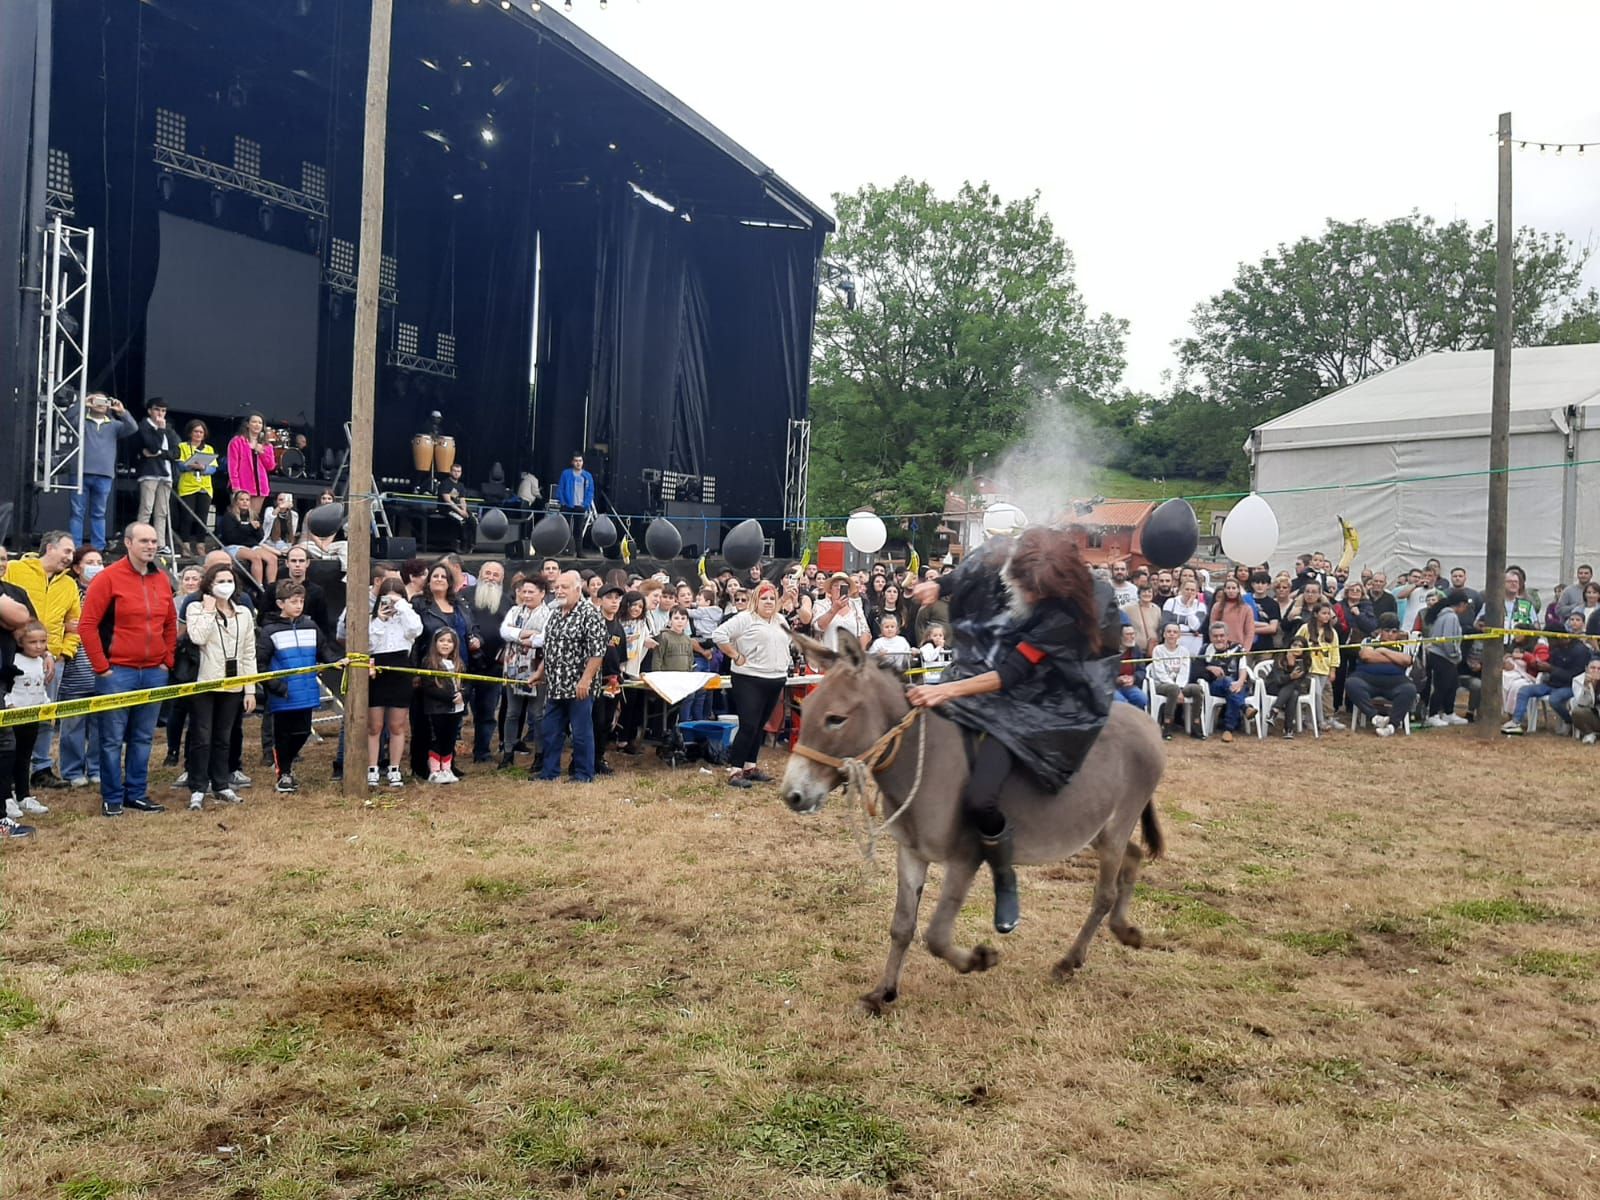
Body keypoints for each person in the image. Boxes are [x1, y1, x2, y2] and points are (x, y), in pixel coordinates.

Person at [906, 527, 1119, 935]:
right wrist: (940, 585)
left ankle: (1004, 877)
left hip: (1040, 695)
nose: (1029, 595)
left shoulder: (1062, 616)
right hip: (996, 661)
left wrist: (946, 690)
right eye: (1024, 586)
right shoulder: (1020, 555)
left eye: (1036, 593)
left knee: (981, 796)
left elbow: (1010, 675)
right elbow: (980, 563)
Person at [79, 523, 177, 817]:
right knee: (110, 739)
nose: (150, 546)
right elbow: (87, 625)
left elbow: (171, 623)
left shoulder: (161, 579)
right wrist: (102, 667)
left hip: (153, 671)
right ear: (128, 543)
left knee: (143, 737)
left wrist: (166, 661)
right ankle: (112, 796)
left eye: (154, 541)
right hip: (117, 672)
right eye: (144, 541)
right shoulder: (108, 578)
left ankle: (136, 792)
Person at [7, 531, 79, 791]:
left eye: (72, 553)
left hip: (51, 663)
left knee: (45, 716)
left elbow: (74, 626)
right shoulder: (16, 570)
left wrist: (63, 654)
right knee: (11, 715)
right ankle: (13, 770)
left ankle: (42, 768)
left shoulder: (69, 584)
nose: (71, 557)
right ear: (50, 548)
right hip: (14, 661)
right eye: (67, 551)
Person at [183, 562, 257, 812]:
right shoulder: (196, 607)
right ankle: (197, 787)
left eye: (229, 580)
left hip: (233, 683)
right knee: (201, 737)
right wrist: (207, 610)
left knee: (224, 737)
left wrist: (250, 689)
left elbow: (249, 652)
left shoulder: (244, 613)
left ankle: (221, 782)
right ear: (209, 585)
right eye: (219, 581)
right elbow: (198, 637)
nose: (225, 585)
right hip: (205, 682)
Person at [256, 580, 339, 791]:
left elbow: (324, 650)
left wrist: (336, 661)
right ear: (280, 603)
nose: (299, 605)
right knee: (283, 735)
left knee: (303, 732)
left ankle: (287, 764)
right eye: (294, 601)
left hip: (307, 692)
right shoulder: (269, 631)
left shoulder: (310, 626)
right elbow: (260, 664)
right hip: (283, 695)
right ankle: (283, 772)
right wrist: (277, 687)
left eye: (301, 601)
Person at [713, 580, 791, 790]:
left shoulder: (780, 620)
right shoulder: (745, 619)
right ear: (756, 600)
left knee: (759, 726)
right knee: (748, 724)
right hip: (749, 678)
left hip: (775, 678)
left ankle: (750, 766)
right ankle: (735, 770)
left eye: (772, 599)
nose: (768, 602)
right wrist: (735, 655)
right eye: (764, 598)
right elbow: (719, 634)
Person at [535, 570, 607, 783]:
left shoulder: (590, 614)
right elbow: (550, 648)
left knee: (581, 733)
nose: (559, 591)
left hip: (579, 686)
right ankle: (549, 772)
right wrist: (539, 673)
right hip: (555, 685)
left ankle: (583, 774)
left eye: (564, 587)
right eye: (556, 587)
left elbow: (597, 652)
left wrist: (585, 680)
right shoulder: (555, 613)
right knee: (550, 730)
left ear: (578, 589)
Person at [368, 578, 423, 788]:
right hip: (378, 670)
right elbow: (369, 644)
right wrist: (380, 619)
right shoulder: (373, 619)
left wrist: (401, 605)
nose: (390, 604)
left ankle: (394, 768)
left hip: (401, 670)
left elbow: (416, 630)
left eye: (394, 598)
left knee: (397, 725)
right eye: (386, 599)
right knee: (375, 725)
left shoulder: (407, 617)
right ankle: (372, 767)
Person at [55, 548, 103, 789]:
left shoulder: (108, 593)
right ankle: (72, 769)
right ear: (76, 567)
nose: (95, 565)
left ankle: (96, 767)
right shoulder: (67, 592)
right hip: (74, 669)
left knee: (99, 725)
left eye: (99, 561)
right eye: (89, 562)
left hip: (102, 669)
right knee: (72, 724)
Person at [69, 394, 139, 551]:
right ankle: (75, 547)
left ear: (109, 405)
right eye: (96, 400)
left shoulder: (115, 425)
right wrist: (83, 403)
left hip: (105, 474)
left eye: (104, 401)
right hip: (80, 472)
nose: (100, 404)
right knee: (77, 512)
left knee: (99, 513)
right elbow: (65, 418)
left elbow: (133, 427)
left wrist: (122, 412)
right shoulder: (81, 421)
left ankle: (98, 548)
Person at [3, 622, 54, 824]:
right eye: (33, 642)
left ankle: (24, 795)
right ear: (20, 641)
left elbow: (40, 688)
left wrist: (46, 706)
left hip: (32, 717)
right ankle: (7, 797)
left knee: (25, 756)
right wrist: (9, 705)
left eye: (43, 641)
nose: (38, 646)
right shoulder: (13, 660)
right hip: (12, 717)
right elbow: (6, 687)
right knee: (9, 757)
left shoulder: (42, 662)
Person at [500, 578, 548, 767]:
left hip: (537, 668)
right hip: (513, 667)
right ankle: (508, 752)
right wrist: (523, 634)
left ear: (542, 593)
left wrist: (524, 636)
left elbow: (544, 638)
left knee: (537, 714)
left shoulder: (549, 614)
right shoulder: (514, 611)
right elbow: (504, 631)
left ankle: (540, 754)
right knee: (512, 712)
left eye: (531, 592)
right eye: (524, 592)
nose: (526, 595)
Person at [1344, 613, 1418, 736]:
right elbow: (1366, 656)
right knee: (1351, 683)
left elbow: (1407, 661)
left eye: (1394, 631)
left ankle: (1392, 726)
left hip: (1395, 681)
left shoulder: (1404, 644)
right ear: (1380, 630)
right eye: (1387, 630)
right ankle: (1375, 718)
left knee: (1409, 689)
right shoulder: (1368, 641)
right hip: (1367, 679)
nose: (1390, 634)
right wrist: (1394, 659)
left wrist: (1382, 650)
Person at [419, 628, 467, 784]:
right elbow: (428, 687)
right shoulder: (429, 663)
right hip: (437, 709)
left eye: (449, 641)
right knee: (437, 739)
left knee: (450, 739)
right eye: (442, 641)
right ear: (435, 643)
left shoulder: (458, 663)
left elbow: (467, 683)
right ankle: (434, 770)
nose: (445, 644)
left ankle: (446, 769)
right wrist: (450, 697)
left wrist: (463, 695)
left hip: (456, 710)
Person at [134, 398, 182, 553]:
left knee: (162, 511)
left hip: (166, 474)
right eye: (157, 410)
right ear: (149, 411)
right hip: (150, 473)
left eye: (163, 411)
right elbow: (152, 446)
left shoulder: (169, 428)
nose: (160, 414)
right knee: (146, 508)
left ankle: (160, 543)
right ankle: (140, 540)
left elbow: (177, 452)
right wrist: (160, 431)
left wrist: (160, 453)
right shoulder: (144, 426)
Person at [1423, 589, 1474, 727]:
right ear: (1461, 604)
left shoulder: (1444, 615)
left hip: (1443, 656)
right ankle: (1432, 714)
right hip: (1442, 656)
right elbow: (1449, 640)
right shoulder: (1451, 617)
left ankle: (1448, 712)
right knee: (1441, 686)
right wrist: (1455, 655)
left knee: (1452, 685)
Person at [174, 420, 219, 557]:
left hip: (204, 486)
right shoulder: (182, 446)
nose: (199, 434)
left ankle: (201, 545)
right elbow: (179, 465)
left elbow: (213, 469)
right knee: (187, 517)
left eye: (201, 432)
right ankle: (185, 545)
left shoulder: (208, 449)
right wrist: (190, 466)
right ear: (190, 433)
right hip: (188, 485)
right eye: (196, 431)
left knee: (202, 517)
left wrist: (204, 467)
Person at [216, 490, 278, 587]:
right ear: (236, 502)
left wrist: (257, 529)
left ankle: (271, 586)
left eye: (247, 500)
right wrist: (249, 527)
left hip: (251, 545)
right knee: (255, 557)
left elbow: (260, 537)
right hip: (233, 546)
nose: (245, 502)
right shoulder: (229, 516)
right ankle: (259, 586)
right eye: (242, 500)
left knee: (272, 558)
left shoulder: (253, 516)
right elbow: (231, 537)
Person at [227, 413, 277, 519]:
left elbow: (271, 466)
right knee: (238, 517)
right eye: (254, 422)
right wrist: (236, 487)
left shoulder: (267, 445)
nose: (257, 425)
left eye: (260, 423)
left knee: (253, 517)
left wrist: (262, 452)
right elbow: (232, 467)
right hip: (242, 485)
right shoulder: (237, 441)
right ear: (247, 425)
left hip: (260, 487)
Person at [1148, 622, 1191, 739]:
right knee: (1173, 689)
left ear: (1179, 635)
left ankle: (1196, 725)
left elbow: (1184, 672)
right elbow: (1160, 673)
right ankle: (1167, 725)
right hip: (1160, 684)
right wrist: (1177, 689)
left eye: (1175, 632)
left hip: (1178, 686)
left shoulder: (1184, 651)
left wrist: (1180, 688)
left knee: (1197, 689)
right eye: (1169, 632)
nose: (1172, 634)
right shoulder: (1158, 650)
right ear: (1164, 634)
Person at [555, 453, 596, 547]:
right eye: (576, 461)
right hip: (567, 505)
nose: (578, 463)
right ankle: (563, 549)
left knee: (578, 529)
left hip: (580, 506)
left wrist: (586, 504)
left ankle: (579, 551)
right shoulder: (566, 473)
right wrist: (563, 502)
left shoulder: (587, 475)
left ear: (583, 462)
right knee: (564, 529)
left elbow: (590, 491)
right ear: (572, 462)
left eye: (580, 461)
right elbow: (560, 488)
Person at [1161, 576, 1207, 656]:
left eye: (1192, 590)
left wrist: (1188, 607)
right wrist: (1188, 627)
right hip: (1175, 642)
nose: (1189, 592)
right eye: (1187, 589)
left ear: (1197, 592)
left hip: (1194, 645)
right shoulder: (1171, 602)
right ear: (1181, 590)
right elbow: (1166, 623)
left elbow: (1196, 627)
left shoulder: (1201, 606)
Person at [437, 463, 474, 553]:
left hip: (458, 509)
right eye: (454, 471)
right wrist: (460, 512)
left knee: (472, 520)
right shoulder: (445, 483)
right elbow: (448, 501)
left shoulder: (461, 485)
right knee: (461, 520)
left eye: (458, 471)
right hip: (446, 509)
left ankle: (470, 545)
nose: (456, 473)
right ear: (450, 472)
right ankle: (458, 546)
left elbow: (462, 500)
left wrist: (464, 510)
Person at [1111, 622, 1146, 709]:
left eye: (1133, 634)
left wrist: (1133, 678)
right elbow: (1103, 673)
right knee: (1120, 701)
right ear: (1120, 637)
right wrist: (1117, 679)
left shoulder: (1136, 649)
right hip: (1112, 687)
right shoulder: (1110, 651)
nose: (1132, 637)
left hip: (1129, 685)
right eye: (1128, 634)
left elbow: (1142, 671)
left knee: (1142, 699)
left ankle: (1136, 721)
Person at [1569, 658, 1600, 744]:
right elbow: (1581, 703)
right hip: (1592, 715)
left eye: (1599, 669)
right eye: (1592, 668)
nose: (1596, 671)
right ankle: (1589, 733)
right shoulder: (1578, 680)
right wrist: (1587, 687)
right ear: (1587, 669)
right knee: (1577, 711)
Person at [260, 492, 300, 557]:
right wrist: (279, 508)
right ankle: (281, 553)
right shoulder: (270, 510)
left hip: (286, 543)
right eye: (280, 500)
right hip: (269, 542)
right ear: (276, 501)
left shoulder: (294, 514)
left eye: (285, 500)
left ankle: (283, 552)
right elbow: (269, 518)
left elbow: (293, 531)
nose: (283, 502)